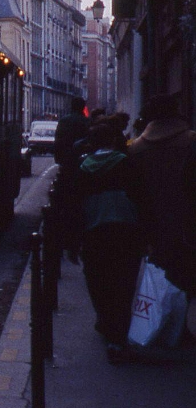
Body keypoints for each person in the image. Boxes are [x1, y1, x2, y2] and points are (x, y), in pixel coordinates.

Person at [72, 120, 144, 363]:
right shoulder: (127, 164)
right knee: (124, 285)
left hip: (94, 232)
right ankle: (118, 337)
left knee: (98, 280)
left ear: (92, 144)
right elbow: (141, 200)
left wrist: (72, 242)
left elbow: (72, 208)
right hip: (126, 231)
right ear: (114, 141)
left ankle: (104, 319)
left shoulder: (82, 168)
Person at [129, 94, 196, 301]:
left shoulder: (136, 149)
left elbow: (133, 191)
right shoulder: (191, 141)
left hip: (151, 224)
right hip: (186, 221)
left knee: (159, 276)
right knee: (184, 275)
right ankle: (179, 323)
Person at [52, 97, 91, 261]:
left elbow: (58, 143)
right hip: (83, 167)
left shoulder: (64, 121)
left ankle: (64, 239)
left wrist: (60, 160)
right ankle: (77, 238)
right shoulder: (87, 123)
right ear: (83, 108)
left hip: (67, 166)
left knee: (64, 203)